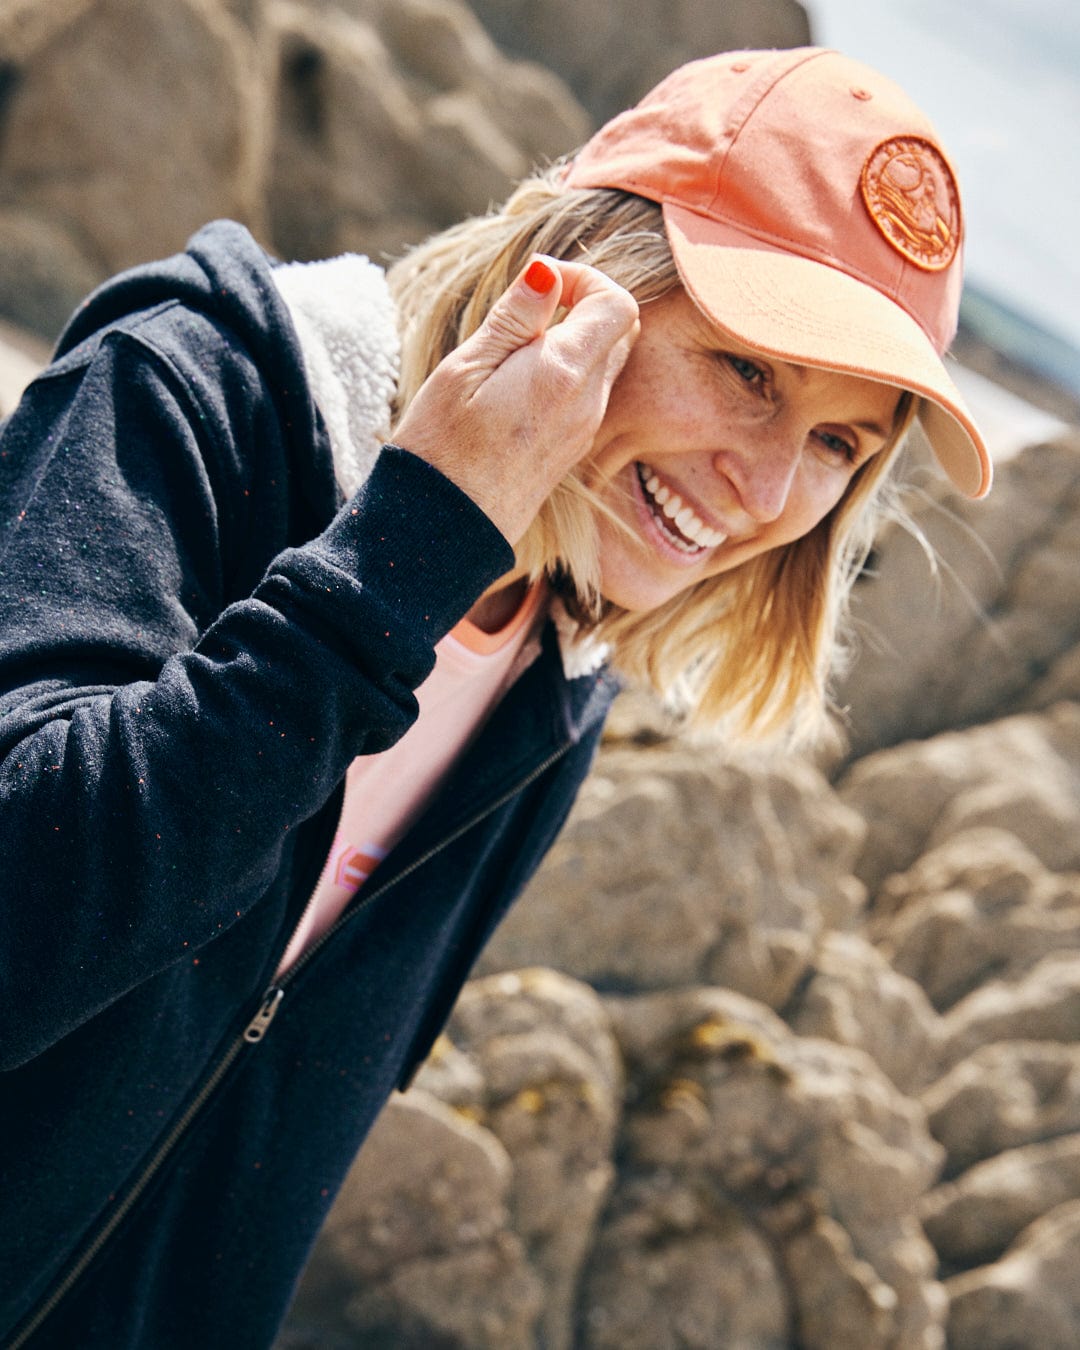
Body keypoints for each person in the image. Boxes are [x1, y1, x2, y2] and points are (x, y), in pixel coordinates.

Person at [0, 45, 990, 1349]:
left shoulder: (556, 692)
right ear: (585, 274)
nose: (762, 488)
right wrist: (404, 556)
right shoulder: (196, 385)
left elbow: (262, 1159)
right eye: (750, 369)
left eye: (834, 445)